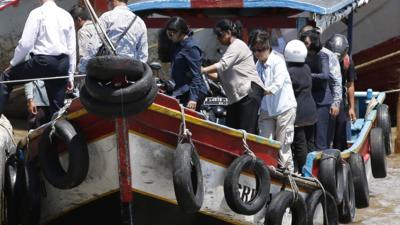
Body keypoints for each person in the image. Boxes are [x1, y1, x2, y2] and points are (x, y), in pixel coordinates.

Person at [0, 0, 76, 116]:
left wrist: (13, 64)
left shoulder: (37, 13)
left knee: (5, 78)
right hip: (62, 64)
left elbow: (26, 44)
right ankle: (58, 130)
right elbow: (71, 48)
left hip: (43, 62)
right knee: (57, 107)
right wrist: (70, 75)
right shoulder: (67, 16)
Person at [201, 19, 265, 134]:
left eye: (220, 35)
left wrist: (204, 69)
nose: (218, 38)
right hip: (237, 98)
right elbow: (219, 77)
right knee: (231, 131)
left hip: (249, 93)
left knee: (246, 133)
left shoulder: (237, 45)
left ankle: (249, 152)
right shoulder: (229, 51)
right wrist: (203, 71)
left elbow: (222, 65)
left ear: (229, 32)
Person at [249, 30, 297, 172]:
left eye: (261, 49)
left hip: (284, 108)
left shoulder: (278, 61)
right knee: (265, 144)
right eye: (255, 50)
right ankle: (266, 174)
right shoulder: (257, 65)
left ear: (268, 47)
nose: (258, 53)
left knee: (283, 147)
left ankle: (288, 177)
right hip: (266, 109)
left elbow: (278, 84)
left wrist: (262, 91)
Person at [284, 40, 317, 173]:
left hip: (298, 112)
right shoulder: (307, 68)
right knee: (310, 143)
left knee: (300, 145)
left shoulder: (289, 72)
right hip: (310, 109)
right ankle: (313, 170)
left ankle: (305, 173)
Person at [164, 17, 208, 111]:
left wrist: (193, 99)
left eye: (173, 32)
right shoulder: (178, 45)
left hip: (192, 92)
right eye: (169, 32)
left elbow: (197, 74)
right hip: (182, 90)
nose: (170, 35)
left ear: (182, 32)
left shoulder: (191, 48)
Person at [300, 29, 333, 151]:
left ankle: (324, 167)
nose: (304, 45)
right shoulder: (303, 56)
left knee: (321, 138)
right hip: (309, 99)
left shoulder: (322, 55)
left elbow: (325, 76)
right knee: (309, 138)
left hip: (322, 101)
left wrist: (308, 75)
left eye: (306, 42)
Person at [325, 34, 357, 150]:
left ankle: (340, 155)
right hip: (324, 98)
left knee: (340, 128)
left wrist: (352, 108)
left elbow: (350, 85)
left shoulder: (348, 63)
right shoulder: (323, 59)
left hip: (340, 101)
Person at [69, 5, 101, 74]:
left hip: (91, 70)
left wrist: (78, 71)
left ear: (79, 20)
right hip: (101, 66)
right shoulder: (98, 27)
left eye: (72, 22)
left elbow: (84, 55)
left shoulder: (83, 31)